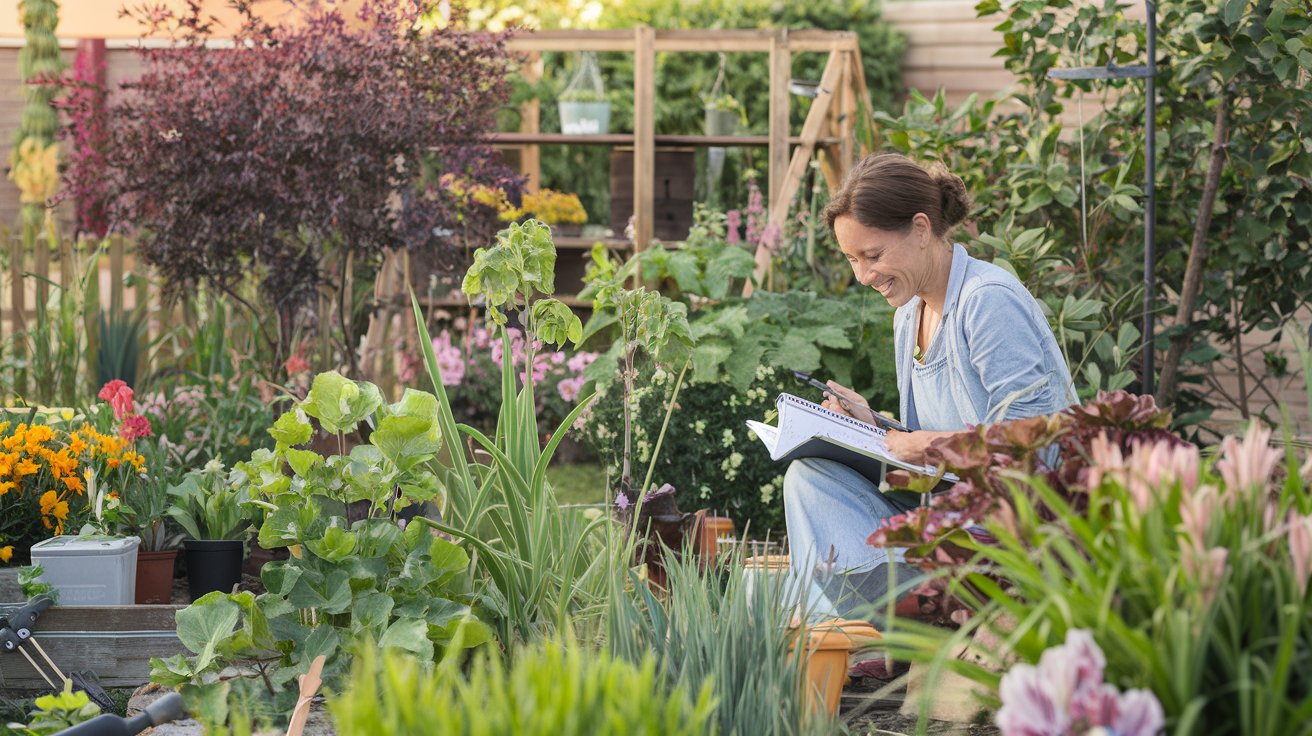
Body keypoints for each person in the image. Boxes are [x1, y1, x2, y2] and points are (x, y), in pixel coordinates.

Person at [782, 152, 1075, 622]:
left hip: (1012, 526)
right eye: (852, 260)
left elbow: (1035, 447)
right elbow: (928, 461)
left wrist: (927, 444)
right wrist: (873, 426)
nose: (863, 276)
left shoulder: (986, 302)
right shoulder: (909, 315)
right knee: (812, 478)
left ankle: (882, 623)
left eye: (873, 255)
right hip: (949, 510)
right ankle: (875, 621)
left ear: (921, 229)